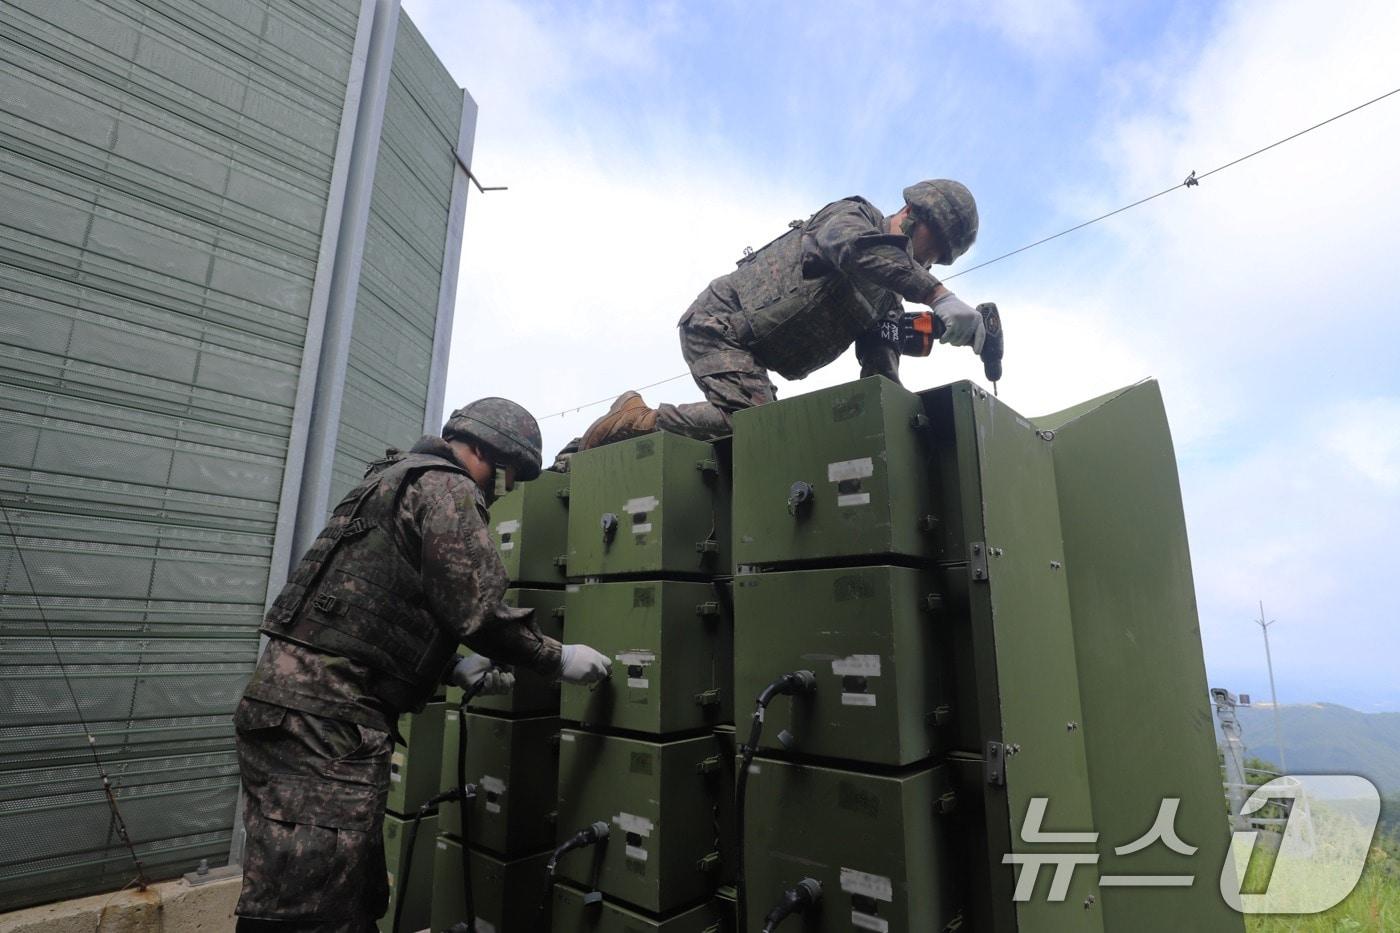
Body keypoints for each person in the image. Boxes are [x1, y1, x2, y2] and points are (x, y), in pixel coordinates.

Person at [232, 397, 612, 932]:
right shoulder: (446, 486)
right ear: (480, 449)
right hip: (327, 720)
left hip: (298, 711)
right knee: (304, 911)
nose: (502, 487)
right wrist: (556, 658)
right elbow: (478, 609)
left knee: (347, 893)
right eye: (505, 471)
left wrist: (449, 666)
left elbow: (365, 607)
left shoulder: (392, 480)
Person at [581, 180, 984, 448]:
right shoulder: (853, 218)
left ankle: (651, 435)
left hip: (753, 353)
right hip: (719, 325)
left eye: (940, 260)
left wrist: (894, 423)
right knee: (754, 424)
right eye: (936, 245)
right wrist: (938, 296)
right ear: (914, 212)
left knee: (762, 434)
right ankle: (636, 420)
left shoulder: (885, 299)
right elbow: (855, 249)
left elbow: (880, 366)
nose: (931, 260)